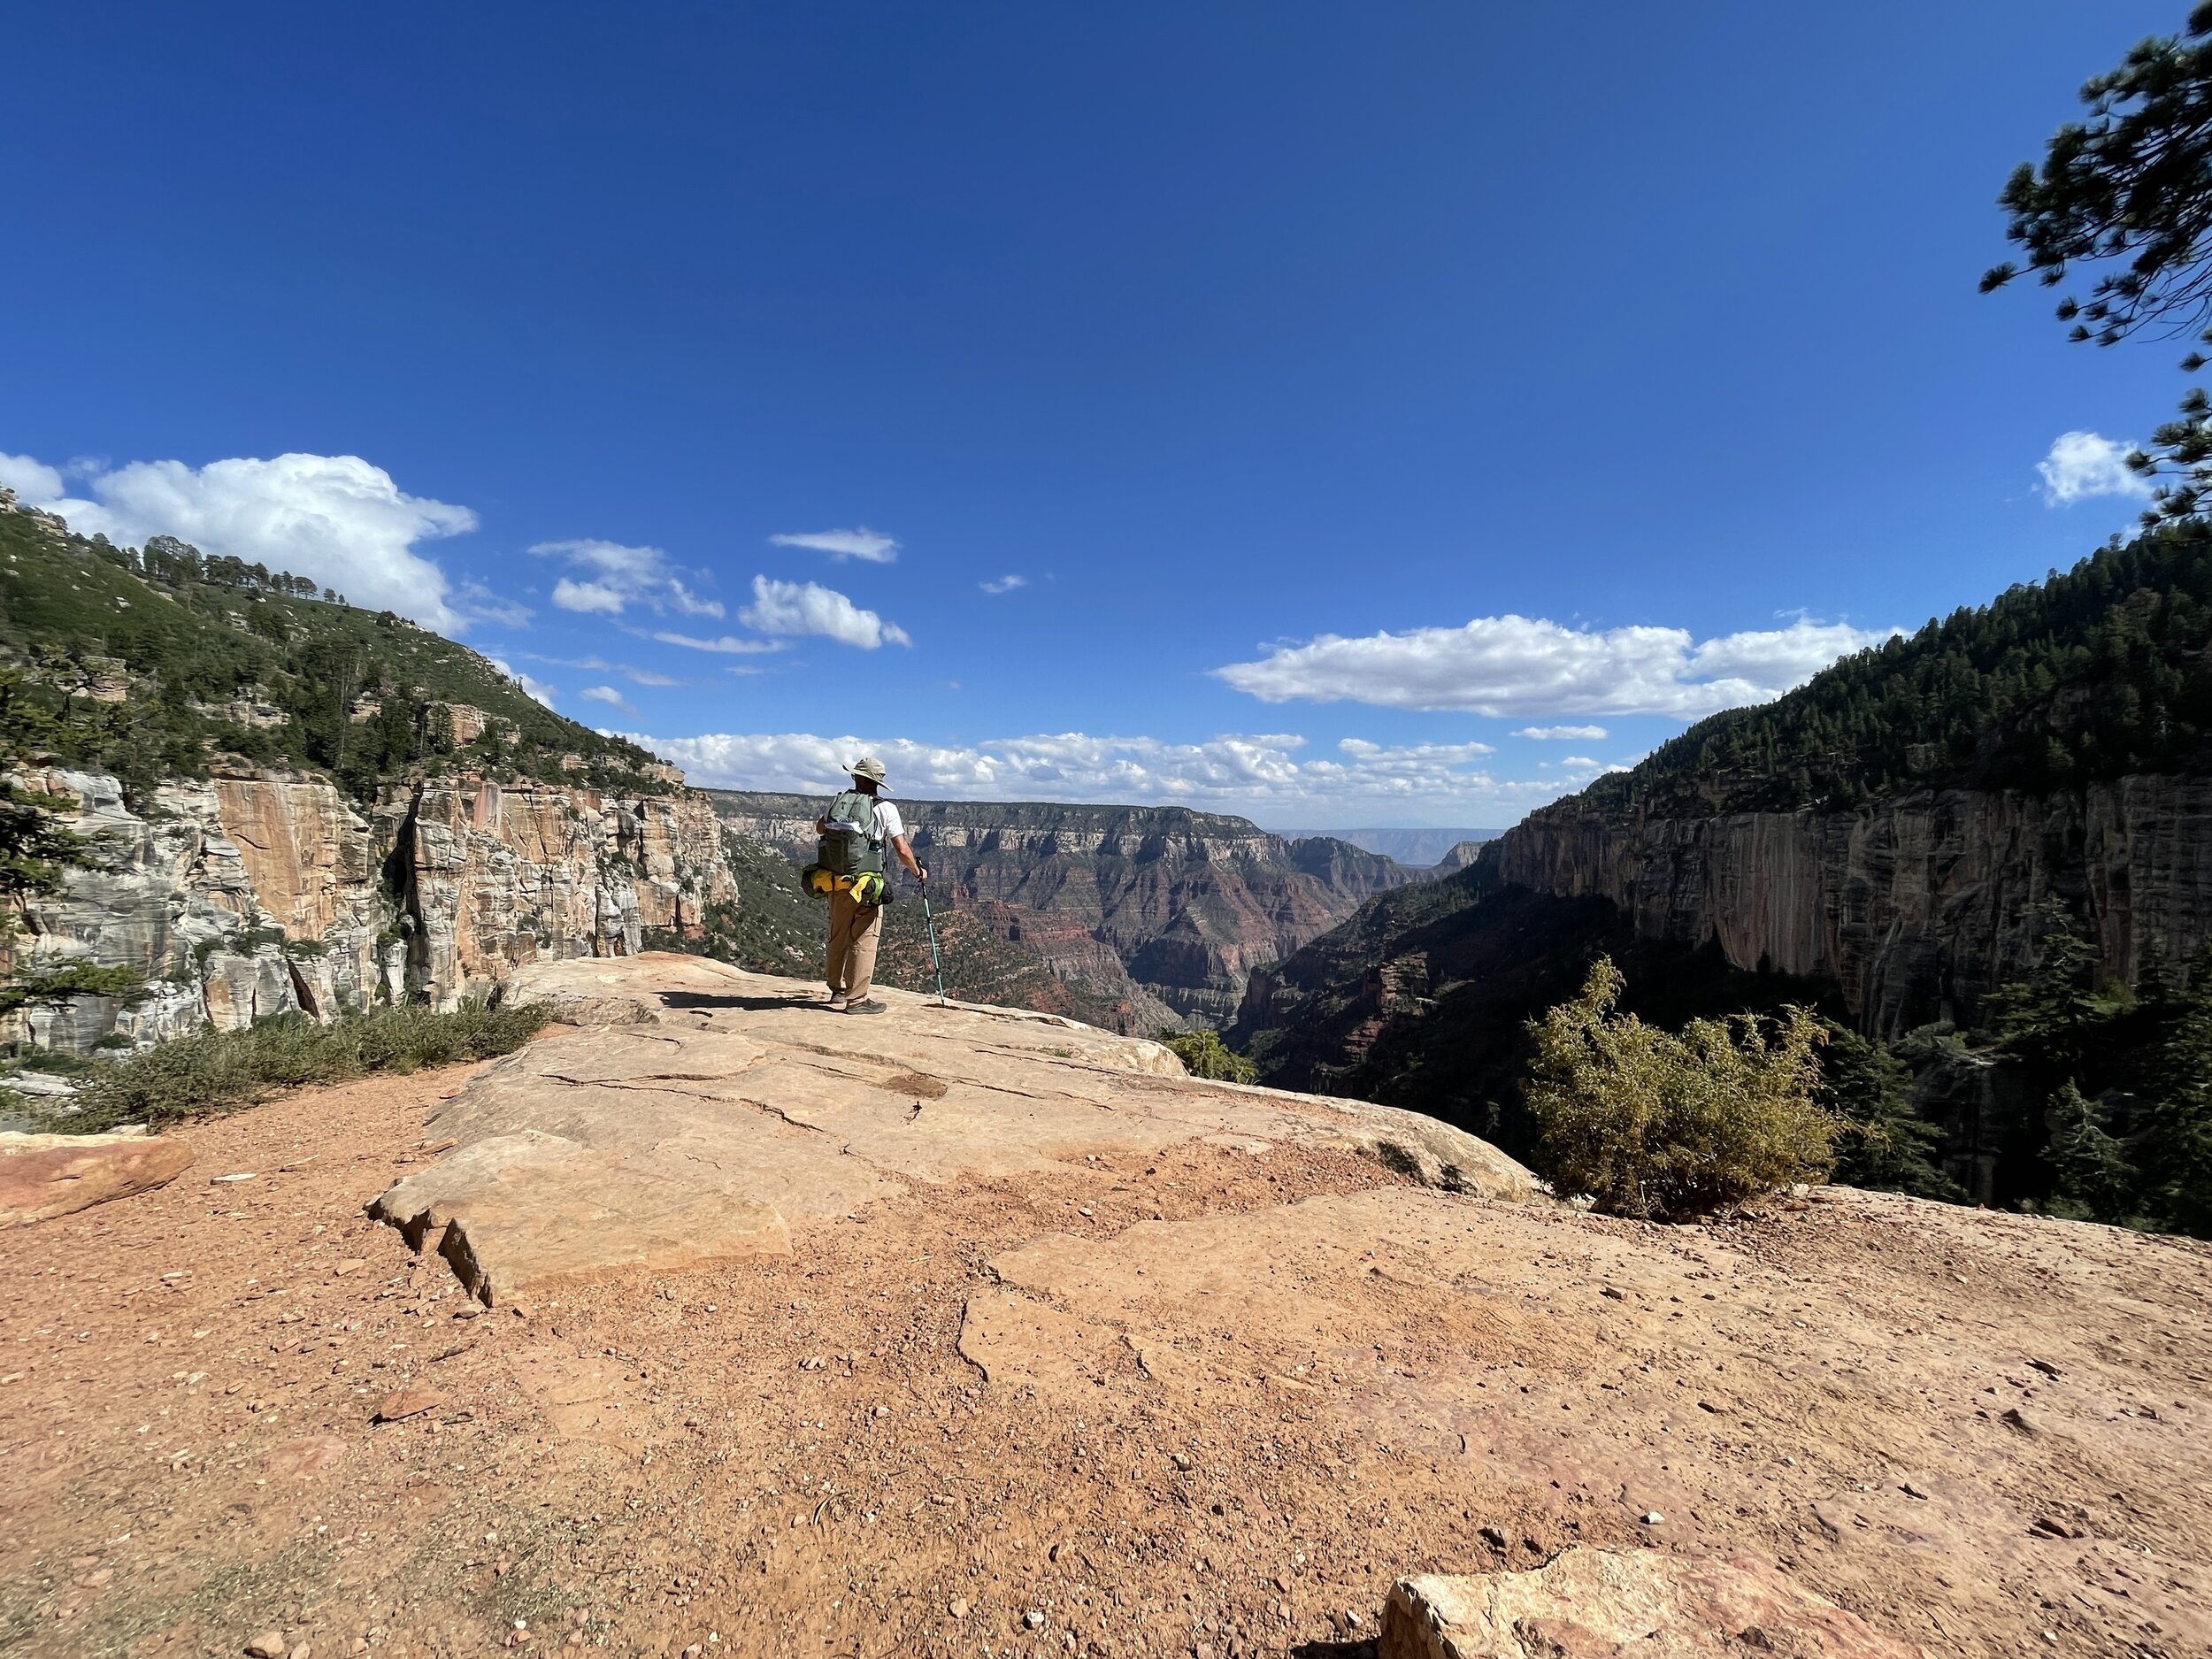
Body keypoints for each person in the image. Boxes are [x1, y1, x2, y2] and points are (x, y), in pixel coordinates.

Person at [818, 756, 926, 1015]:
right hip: (866, 885)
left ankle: (836, 990)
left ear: (855, 777)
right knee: (865, 939)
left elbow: (821, 828)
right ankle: (857, 1001)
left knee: (838, 934)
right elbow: (901, 848)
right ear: (878, 782)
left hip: (836, 881)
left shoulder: (839, 802)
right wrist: (917, 871)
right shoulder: (885, 808)